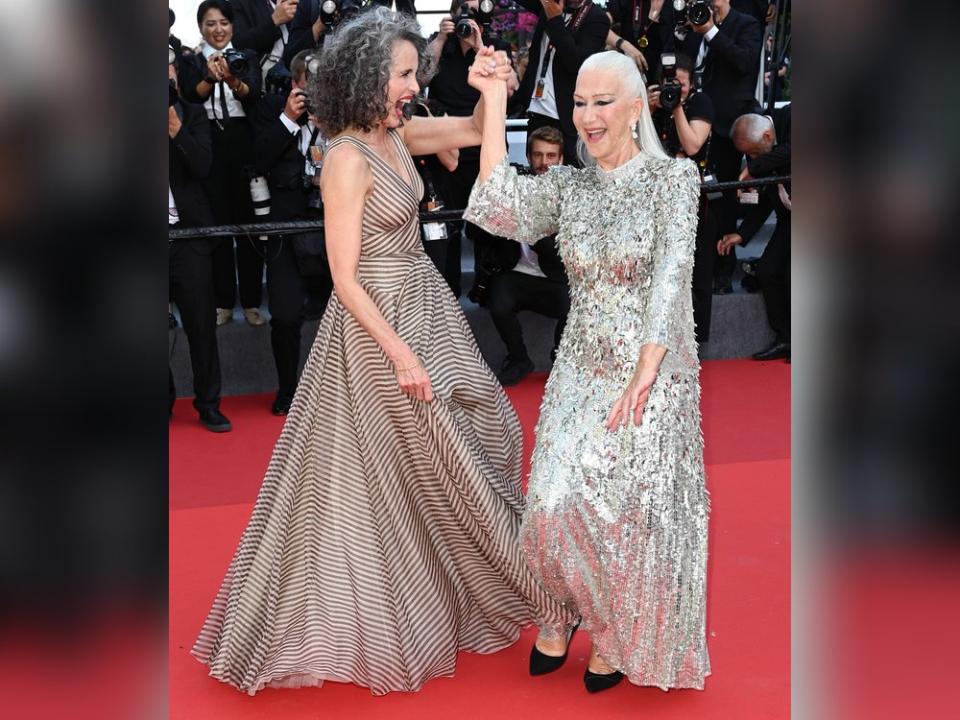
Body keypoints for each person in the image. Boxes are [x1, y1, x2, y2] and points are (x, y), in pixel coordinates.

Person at [191, 7, 573, 696]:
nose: (411, 84)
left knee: (489, 424)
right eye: (402, 74)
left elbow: (474, 131)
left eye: (413, 72)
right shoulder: (345, 156)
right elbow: (343, 277)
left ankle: (472, 580)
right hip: (377, 328)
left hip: (425, 303)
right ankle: (545, 600)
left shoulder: (398, 135)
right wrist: (399, 354)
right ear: (368, 79)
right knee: (441, 464)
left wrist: (492, 88)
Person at [465, 50, 710, 693]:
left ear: (635, 109)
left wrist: (646, 370)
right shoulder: (570, 188)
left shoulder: (673, 180)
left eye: (603, 102)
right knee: (548, 503)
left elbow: (671, 278)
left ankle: (613, 628)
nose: (588, 116)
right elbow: (497, 204)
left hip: (652, 368)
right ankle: (564, 608)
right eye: (579, 102)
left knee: (625, 512)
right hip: (580, 363)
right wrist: (493, 99)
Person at [252, 49, 334, 416]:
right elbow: (254, 161)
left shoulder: (340, 112)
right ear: (294, 83)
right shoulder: (272, 109)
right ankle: (288, 390)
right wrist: (288, 118)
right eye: (308, 82)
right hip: (286, 226)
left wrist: (329, 122)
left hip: (332, 226)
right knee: (285, 316)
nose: (314, 90)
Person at [180, 0, 266, 327]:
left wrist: (231, 78)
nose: (218, 29)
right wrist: (209, 76)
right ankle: (224, 302)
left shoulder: (247, 56)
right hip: (209, 145)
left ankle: (253, 302)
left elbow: (253, 93)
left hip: (243, 144)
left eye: (224, 23)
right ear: (201, 27)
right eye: (211, 23)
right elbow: (191, 96)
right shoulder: (190, 61)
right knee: (217, 227)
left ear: (233, 26)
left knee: (249, 228)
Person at [425, 0, 518, 297]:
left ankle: (487, 289)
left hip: (484, 148)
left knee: (488, 227)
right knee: (447, 227)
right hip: (446, 150)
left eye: (476, 11)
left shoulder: (494, 45)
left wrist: (480, 45)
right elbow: (420, 78)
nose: (469, 17)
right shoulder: (441, 45)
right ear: (454, 12)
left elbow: (512, 87)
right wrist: (440, 38)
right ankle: (447, 294)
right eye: (464, 8)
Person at [168, 30, 232, 433]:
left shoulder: (192, 114)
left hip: (189, 237)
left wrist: (175, 130)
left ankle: (208, 402)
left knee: (201, 327)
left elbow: (203, 167)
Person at [679, 0, 762, 293]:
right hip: (691, 121)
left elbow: (744, 62)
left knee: (724, 199)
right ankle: (694, 265)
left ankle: (724, 270)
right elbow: (680, 63)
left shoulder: (746, 24)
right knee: (693, 196)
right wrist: (686, 30)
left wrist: (710, 31)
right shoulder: (694, 22)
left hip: (727, 126)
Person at [481, 125, 570, 385]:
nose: (544, 162)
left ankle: (561, 358)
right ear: (529, 157)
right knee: (497, 296)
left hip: (556, 277)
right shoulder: (516, 187)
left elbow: (563, 254)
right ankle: (519, 357)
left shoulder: (571, 194)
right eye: (538, 155)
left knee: (576, 300)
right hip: (518, 272)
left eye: (551, 156)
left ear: (561, 159)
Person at [649, 52, 717, 343]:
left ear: (692, 84)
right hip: (658, 196)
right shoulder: (654, 104)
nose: (675, 88)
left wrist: (676, 108)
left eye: (682, 83)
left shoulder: (700, 103)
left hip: (694, 198)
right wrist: (647, 111)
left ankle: (696, 340)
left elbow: (692, 145)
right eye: (670, 82)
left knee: (697, 268)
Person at [719, 106, 791, 361]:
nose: (750, 159)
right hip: (789, 216)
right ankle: (785, 338)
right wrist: (742, 234)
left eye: (753, 154)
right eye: (747, 155)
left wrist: (756, 166)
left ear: (768, 138)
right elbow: (764, 197)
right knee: (768, 270)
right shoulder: (758, 152)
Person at [510, 0, 610, 165]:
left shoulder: (597, 18)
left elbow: (575, 62)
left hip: (567, 121)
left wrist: (555, 19)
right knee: (538, 179)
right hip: (537, 114)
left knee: (571, 183)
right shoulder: (547, 4)